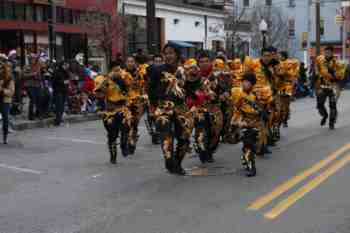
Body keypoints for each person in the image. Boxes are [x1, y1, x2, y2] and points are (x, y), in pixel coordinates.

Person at [148, 43, 194, 175]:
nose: (168, 56)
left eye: (171, 53)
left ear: (177, 55)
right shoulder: (157, 70)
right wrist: (152, 106)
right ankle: (169, 160)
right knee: (165, 133)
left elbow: (191, 88)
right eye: (166, 53)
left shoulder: (185, 71)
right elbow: (150, 89)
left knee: (184, 137)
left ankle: (178, 163)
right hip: (163, 107)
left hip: (181, 108)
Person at [231, 72, 261, 177]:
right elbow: (236, 109)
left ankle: (248, 159)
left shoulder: (257, 94)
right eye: (243, 81)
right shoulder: (238, 93)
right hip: (243, 122)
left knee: (253, 145)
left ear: (252, 84)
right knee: (247, 144)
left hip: (256, 123)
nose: (244, 84)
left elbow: (262, 107)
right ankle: (251, 167)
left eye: (247, 82)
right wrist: (236, 122)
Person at [315, 46, 346, 130]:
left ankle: (331, 123)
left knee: (332, 106)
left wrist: (335, 75)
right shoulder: (319, 59)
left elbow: (341, 75)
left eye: (329, 52)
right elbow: (317, 69)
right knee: (319, 104)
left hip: (333, 87)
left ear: (332, 53)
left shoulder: (337, 62)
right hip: (322, 86)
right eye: (325, 52)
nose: (327, 54)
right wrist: (315, 77)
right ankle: (325, 115)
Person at [0, 55, 15, 144]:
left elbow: (11, 92)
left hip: (5, 101)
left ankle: (5, 137)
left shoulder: (9, 79)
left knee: (5, 119)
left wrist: (3, 90)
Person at [23, 54, 42, 120]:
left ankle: (38, 114)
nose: (33, 60)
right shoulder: (26, 66)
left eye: (34, 59)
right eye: (32, 59)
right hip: (29, 85)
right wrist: (32, 74)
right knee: (32, 100)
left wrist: (38, 76)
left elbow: (40, 76)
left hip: (37, 84)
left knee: (39, 99)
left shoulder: (37, 66)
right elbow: (23, 75)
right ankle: (31, 116)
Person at [52, 62, 70, 126]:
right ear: (62, 65)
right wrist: (64, 82)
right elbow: (54, 81)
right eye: (66, 65)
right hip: (58, 91)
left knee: (62, 106)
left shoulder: (65, 72)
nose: (67, 67)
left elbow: (68, 79)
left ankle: (60, 120)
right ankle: (57, 121)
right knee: (59, 106)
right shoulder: (57, 72)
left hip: (64, 91)